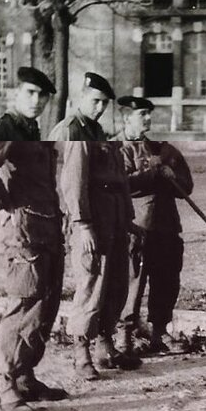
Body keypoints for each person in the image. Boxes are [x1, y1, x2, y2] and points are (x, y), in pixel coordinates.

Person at [0, 141, 68, 411]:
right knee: (23, 305)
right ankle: (6, 386)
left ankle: (24, 376)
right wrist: (2, 207)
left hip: (46, 228)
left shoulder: (35, 131)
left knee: (44, 306)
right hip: (24, 232)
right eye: (32, 93)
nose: (38, 100)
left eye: (44, 96)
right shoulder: (11, 128)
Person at [114, 96, 194, 353]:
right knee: (132, 281)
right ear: (127, 118)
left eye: (149, 114)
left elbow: (186, 187)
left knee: (167, 280)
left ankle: (160, 332)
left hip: (167, 226)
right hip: (136, 226)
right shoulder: (118, 149)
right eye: (142, 114)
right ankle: (124, 334)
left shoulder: (165, 150)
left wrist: (172, 177)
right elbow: (120, 184)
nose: (147, 119)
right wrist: (152, 172)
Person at [60, 140, 140, 379]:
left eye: (105, 104)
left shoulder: (111, 139)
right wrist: (83, 225)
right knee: (92, 286)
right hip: (95, 222)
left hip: (115, 219)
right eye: (96, 102)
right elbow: (73, 183)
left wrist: (128, 220)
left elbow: (122, 182)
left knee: (116, 286)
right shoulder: (80, 137)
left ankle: (105, 347)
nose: (102, 108)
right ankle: (81, 353)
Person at [0, 67, 56, 141]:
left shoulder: (31, 127)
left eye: (42, 94)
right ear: (16, 93)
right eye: (30, 92)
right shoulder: (1, 127)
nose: (36, 100)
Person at [47, 72, 115, 141]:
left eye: (105, 102)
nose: (100, 108)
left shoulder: (98, 130)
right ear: (82, 97)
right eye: (96, 101)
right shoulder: (67, 130)